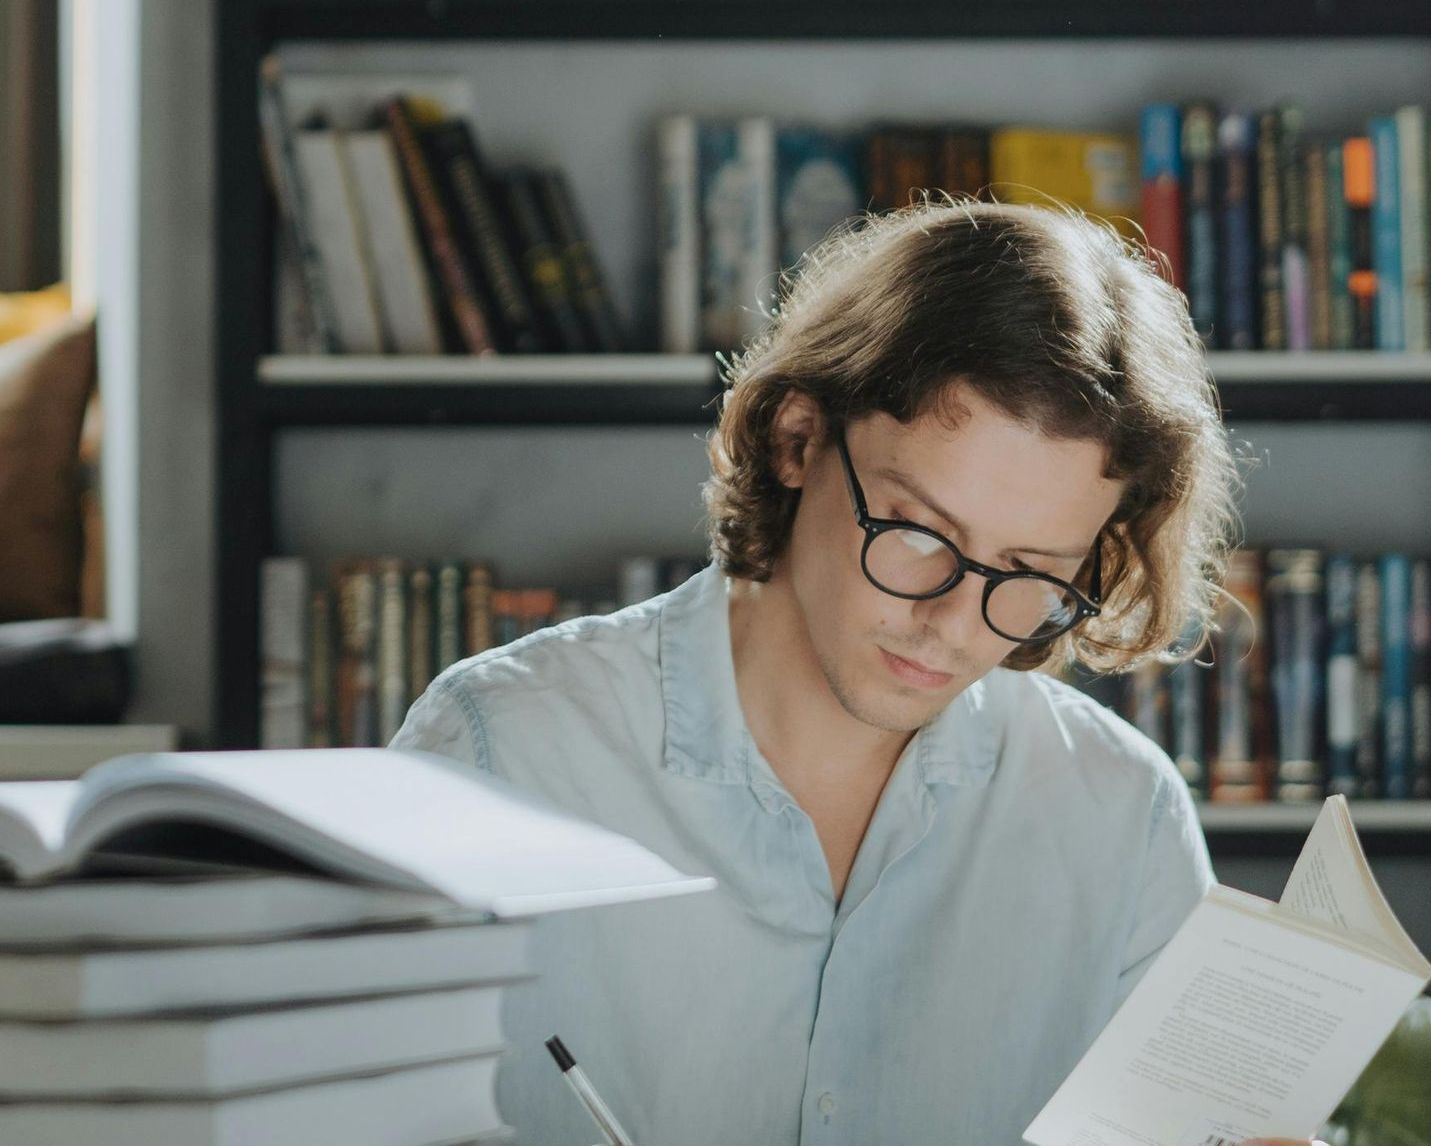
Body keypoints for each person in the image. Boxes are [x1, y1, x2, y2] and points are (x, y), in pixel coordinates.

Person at [392, 199, 1317, 1146]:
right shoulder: (501, 751)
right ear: (798, 440)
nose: (955, 624)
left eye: (1033, 574)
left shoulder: (1122, 816)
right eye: (919, 534)